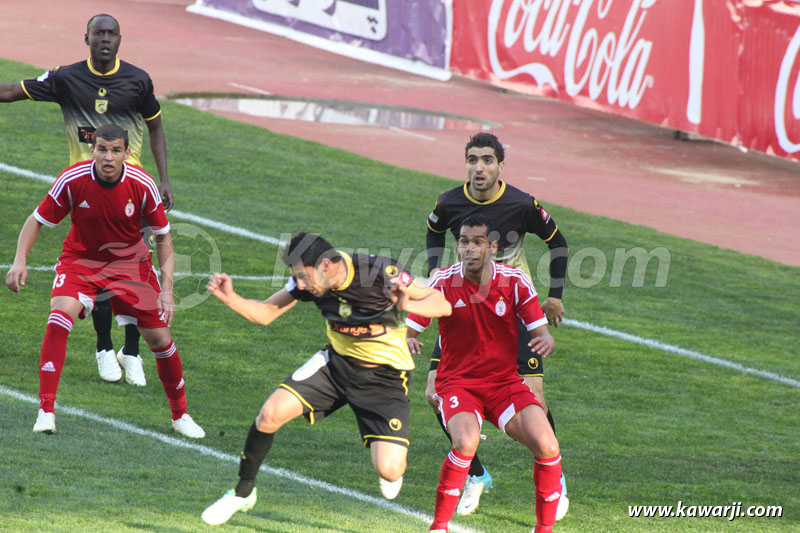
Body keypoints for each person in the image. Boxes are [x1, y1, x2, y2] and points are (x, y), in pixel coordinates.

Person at [200, 233, 452, 526]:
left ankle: (391, 468)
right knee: (270, 414)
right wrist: (231, 298)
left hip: (384, 377)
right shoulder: (308, 283)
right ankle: (242, 493)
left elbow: (442, 303)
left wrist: (408, 304)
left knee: (390, 470)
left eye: (303, 277)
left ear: (327, 266)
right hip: (335, 366)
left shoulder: (381, 273)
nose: (301, 285)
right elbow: (266, 313)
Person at [0, 13, 173, 388]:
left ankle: (131, 352)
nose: (105, 40)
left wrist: (162, 178)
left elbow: (156, 126)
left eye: (111, 34)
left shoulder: (138, 80)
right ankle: (104, 346)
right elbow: (12, 90)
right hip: (83, 190)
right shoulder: (66, 77)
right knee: (99, 267)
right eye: (99, 34)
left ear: (120, 39)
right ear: (87, 38)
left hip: (132, 188)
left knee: (132, 268)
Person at [5, 124, 203, 439]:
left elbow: (164, 238)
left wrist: (166, 291)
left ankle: (181, 415)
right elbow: (36, 219)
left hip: (130, 268)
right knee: (58, 317)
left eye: (115, 150)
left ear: (126, 153)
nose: (108, 157)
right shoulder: (73, 179)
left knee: (161, 341)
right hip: (80, 262)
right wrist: (19, 261)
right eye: (102, 149)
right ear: (93, 149)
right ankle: (46, 410)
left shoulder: (142, 184)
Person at [422, 132, 569, 517]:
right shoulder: (449, 201)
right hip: (462, 313)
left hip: (511, 312)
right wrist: (434, 271)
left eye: (487, 160)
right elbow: (434, 231)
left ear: (500, 165)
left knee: (534, 394)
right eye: (473, 160)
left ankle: (556, 473)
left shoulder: (521, 203)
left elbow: (559, 242)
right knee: (432, 393)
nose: (479, 168)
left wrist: (555, 294)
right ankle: (476, 473)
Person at [407, 215, 562, 533]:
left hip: (504, 384)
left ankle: (544, 529)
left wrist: (545, 338)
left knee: (548, 445)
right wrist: (409, 338)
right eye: (463, 241)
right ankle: (439, 527)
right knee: (465, 441)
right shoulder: (442, 282)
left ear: (492, 247)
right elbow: (413, 325)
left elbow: (537, 326)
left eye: (477, 242)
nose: (469, 248)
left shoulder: (515, 280)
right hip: (459, 384)